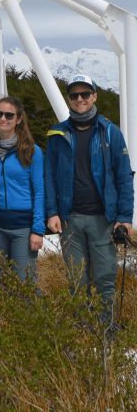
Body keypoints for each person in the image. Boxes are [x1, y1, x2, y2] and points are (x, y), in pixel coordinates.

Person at [45, 74, 134, 326]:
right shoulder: (57, 133)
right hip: (69, 219)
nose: (80, 99)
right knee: (77, 280)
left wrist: (124, 218)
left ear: (94, 96)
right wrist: (52, 212)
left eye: (85, 94)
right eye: (74, 95)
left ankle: (107, 330)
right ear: (69, 99)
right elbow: (49, 177)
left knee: (105, 278)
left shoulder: (110, 132)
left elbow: (124, 178)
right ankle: (83, 332)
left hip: (103, 219)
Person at [0, 96, 44, 283]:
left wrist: (38, 230)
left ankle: (32, 314)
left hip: (23, 227)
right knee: (1, 282)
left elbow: (39, 192)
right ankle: (3, 315)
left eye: (9, 115)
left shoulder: (32, 151)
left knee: (25, 283)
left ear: (18, 119)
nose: (3, 119)